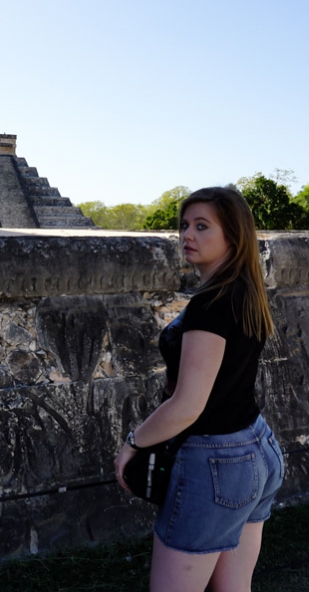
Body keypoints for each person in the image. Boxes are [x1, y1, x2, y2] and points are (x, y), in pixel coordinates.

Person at [114, 186, 285, 592]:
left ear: (233, 235)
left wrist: (132, 444)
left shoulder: (211, 304)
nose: (187, 235)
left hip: (217, 458)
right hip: (257, 447)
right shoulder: (246, 293)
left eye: (202, 226)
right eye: (185, 225)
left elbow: (188, 405)